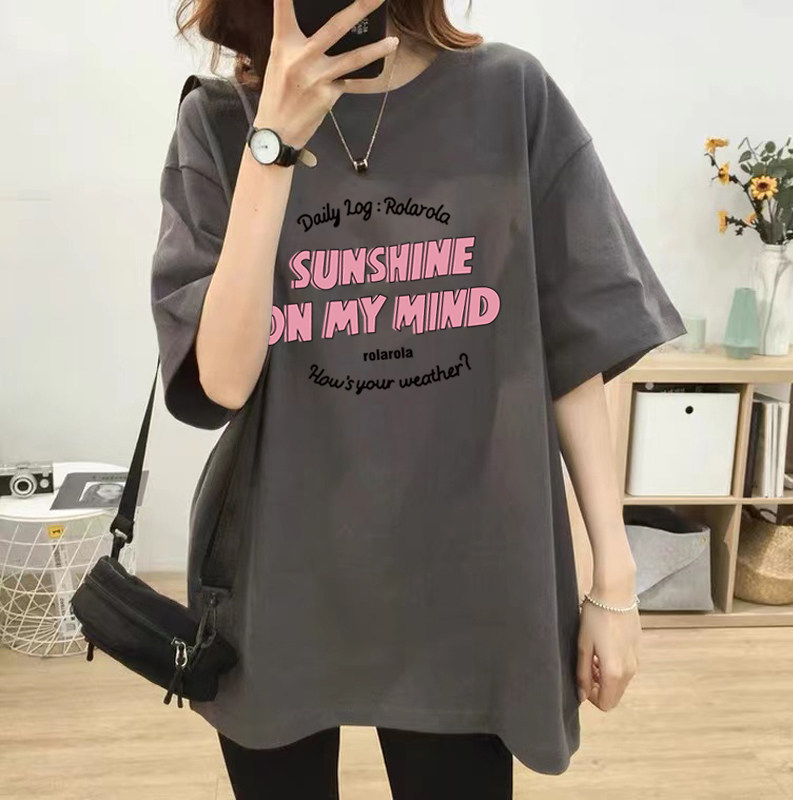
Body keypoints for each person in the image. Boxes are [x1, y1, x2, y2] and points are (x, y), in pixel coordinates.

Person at [150, 0, 688, 797]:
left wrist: (614, 580)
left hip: (468, 577)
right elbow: (224, 381)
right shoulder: (221, 123)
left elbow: (575, 346)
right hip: (282, 574)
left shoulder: (510, 96)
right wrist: (272, 146)